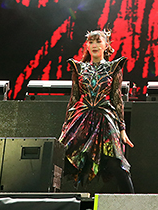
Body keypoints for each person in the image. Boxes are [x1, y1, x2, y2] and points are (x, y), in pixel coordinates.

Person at [58, 29, 135, 193]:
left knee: (116, 163)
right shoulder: (78, 68)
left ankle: (131, 203)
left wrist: (122, 129)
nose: (94, 45)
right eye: (91, 42)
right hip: (81, 119)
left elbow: (116, 98)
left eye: (98, 41)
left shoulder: (114, 68)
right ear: (86, 45)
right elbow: (73, 98)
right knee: (63, 159)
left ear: (106, 45)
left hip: (105, 120)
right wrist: (65, 128)